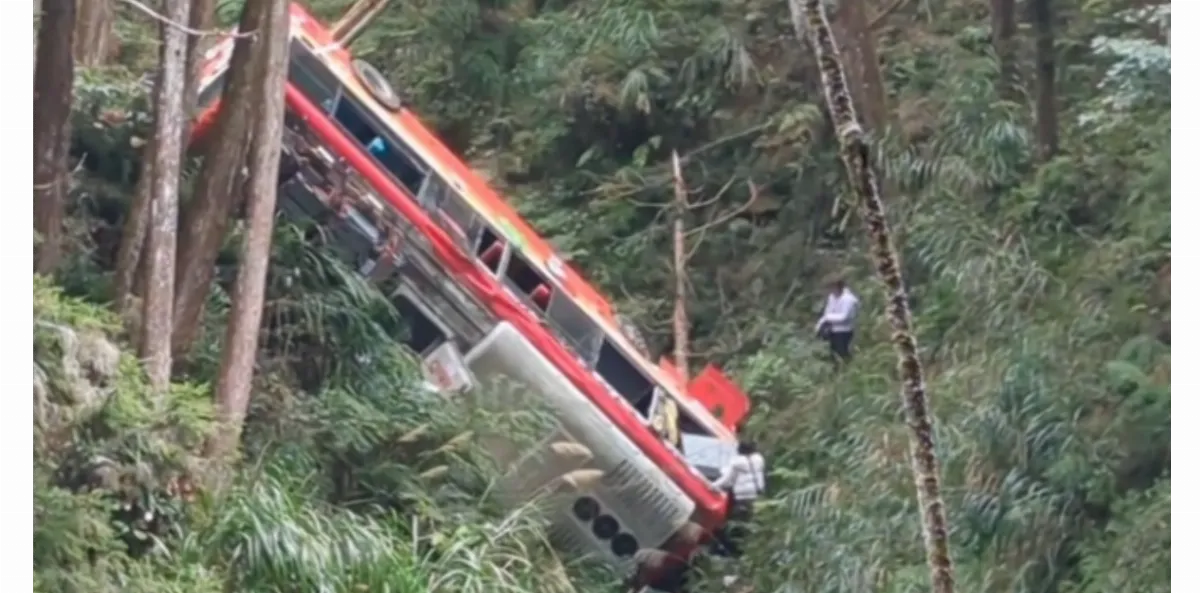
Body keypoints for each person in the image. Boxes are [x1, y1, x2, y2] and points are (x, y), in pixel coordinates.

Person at [711, 440, 766, 561]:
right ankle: (748, 550)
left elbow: (727, 480)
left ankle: (733, 552)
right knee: (749, 522)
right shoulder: (759, 460)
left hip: (742, 497)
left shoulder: (736, 463)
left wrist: (713, 486)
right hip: (756, 496)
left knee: (736, 524)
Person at [815, 275, 859, 363]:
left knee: (842, 353)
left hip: (844, 330)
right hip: (832, 330)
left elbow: (844, 317)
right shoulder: (832, 297)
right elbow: (827, 312)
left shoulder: (849, 299)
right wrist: (819, 325)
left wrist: (828, 318)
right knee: (832, 355)